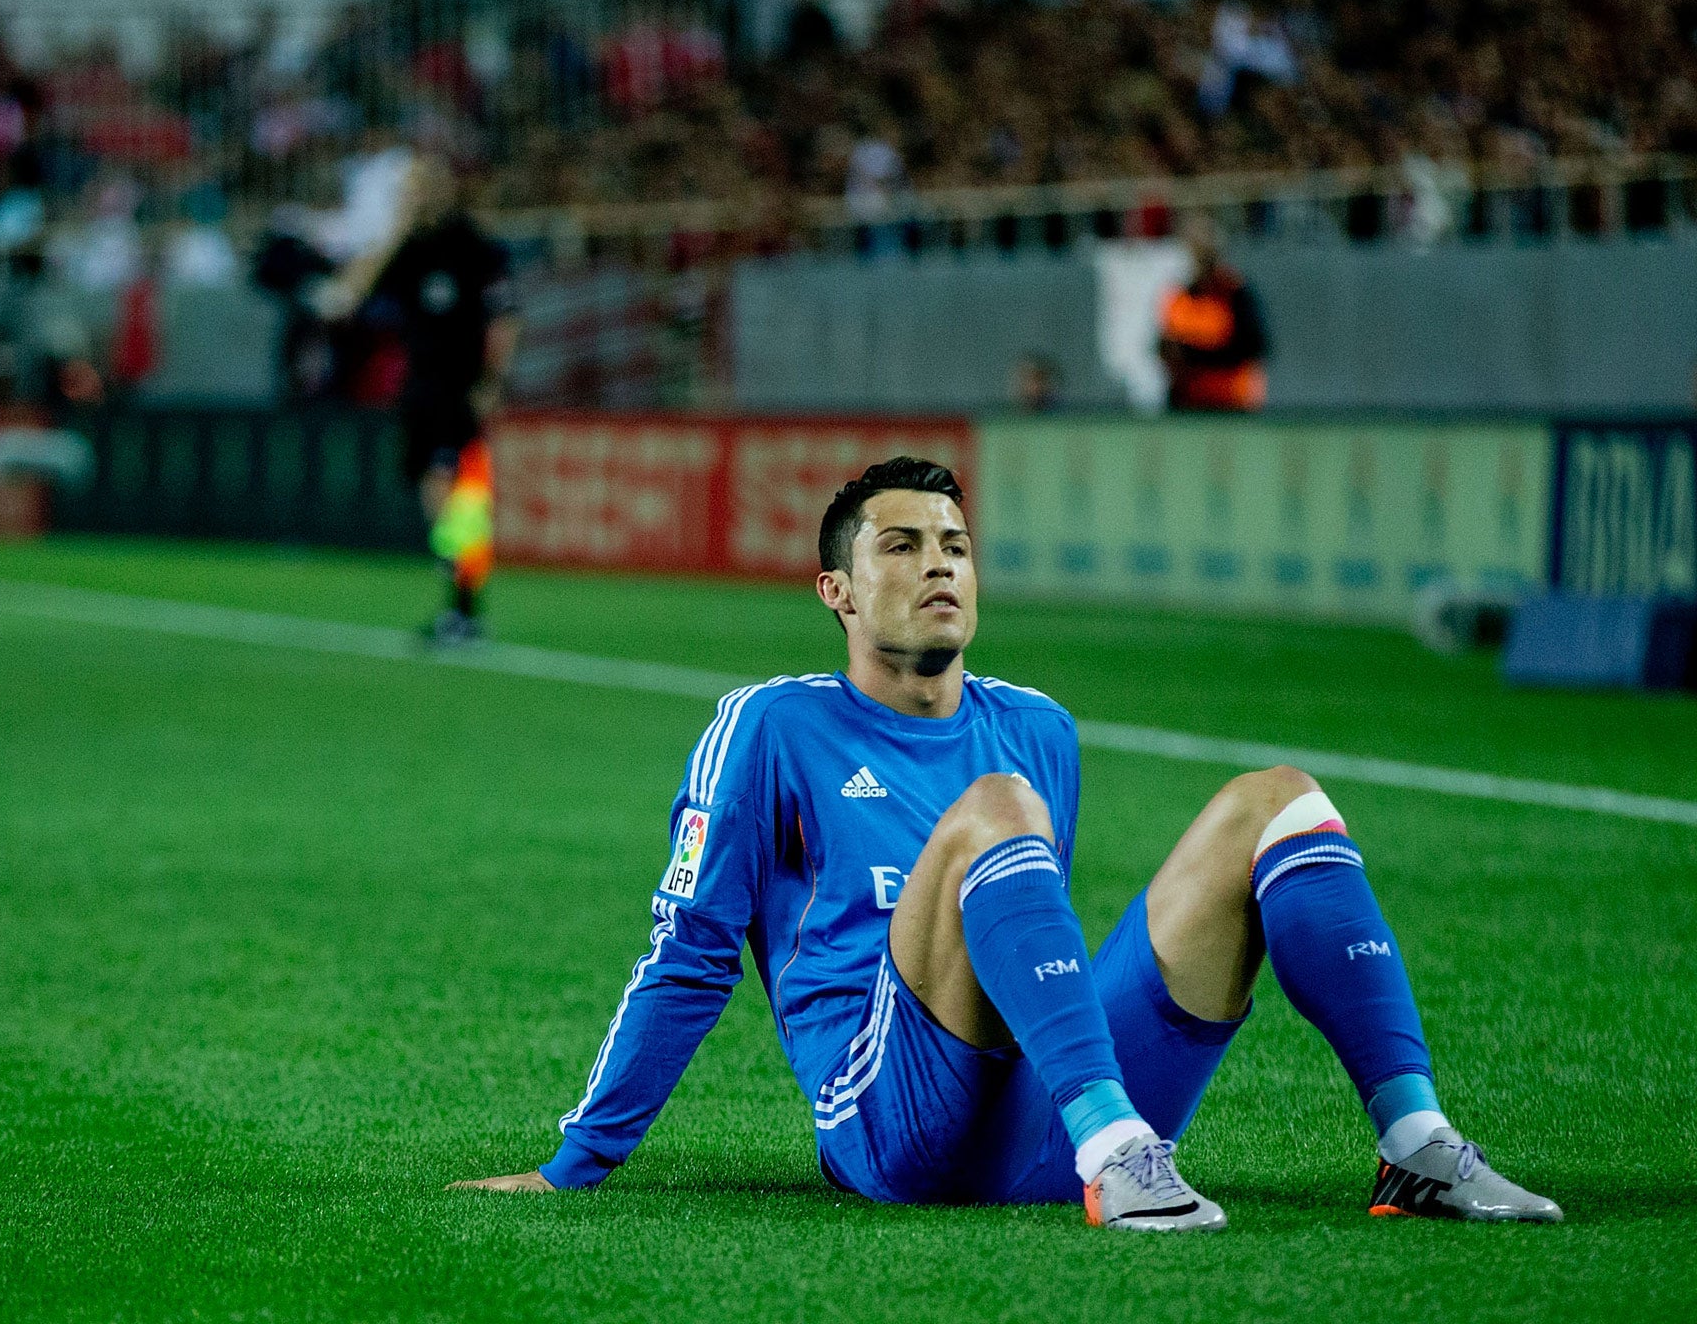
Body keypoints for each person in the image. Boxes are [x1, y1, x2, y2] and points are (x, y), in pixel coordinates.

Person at [452, 457, 1561, 1228]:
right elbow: (688, 958)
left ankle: (1411, 1144)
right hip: (888, 1126)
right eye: (902, 546)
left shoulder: (1037, 727)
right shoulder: (769, 728)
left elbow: (1029, 942)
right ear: (836, 591)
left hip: (1047, 1114)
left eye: (955, 545)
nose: (939, 565)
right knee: (995, 808)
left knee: (1273, 799)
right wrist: (574, 1166)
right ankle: (1115, 1150)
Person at [362, 156, 519, 641]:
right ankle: (460, 605)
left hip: (458, 388)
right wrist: (393, 233)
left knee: (455, 495)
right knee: (439, 498)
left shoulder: (471, 246)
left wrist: (492, 380)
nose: (413, 195)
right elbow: (353, 293)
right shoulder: (410, 247)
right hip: (421, 389)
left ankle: (465, 607)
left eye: (420, 186)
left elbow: (504, 318)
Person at [1159, 220, 1270, 412]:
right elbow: (1165, 347)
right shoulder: (1179, 296)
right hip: (1188, 402)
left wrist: (1194, 354)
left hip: (1232, 402)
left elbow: (1253, 345)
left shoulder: (1234, 292)